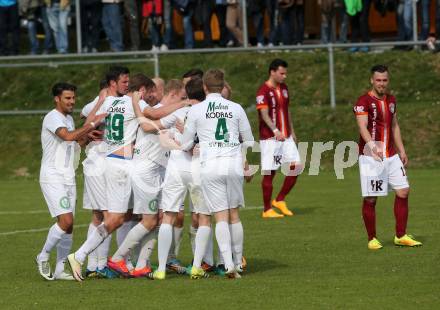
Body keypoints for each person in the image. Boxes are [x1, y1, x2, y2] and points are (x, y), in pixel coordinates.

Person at [67, 73, 190, 281]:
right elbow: (153, 113)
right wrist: (185, 103)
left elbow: (87, 115)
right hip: (121, 165)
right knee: (115, 218)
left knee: (115, 217)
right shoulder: (134, 102)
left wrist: (93, 129)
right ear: (140, 89)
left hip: (107, 162)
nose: (150, 94)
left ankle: (110, 262)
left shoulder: (107, 100)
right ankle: (86, 257)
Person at [180, 69, 254, 279]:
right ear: (223, 87)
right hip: (232, 164)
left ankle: (228, 264)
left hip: (210, 166)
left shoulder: (197, 110)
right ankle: (238, 262)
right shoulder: (236, 108)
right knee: (234, 215)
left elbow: (186, 143)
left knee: (219, 217)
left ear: (204, 87)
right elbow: (248, 140)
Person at [36, 82, 106, 281]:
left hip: (67, 176)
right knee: (65, 221)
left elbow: (73, 145)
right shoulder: (52, 117)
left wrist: (87, 138)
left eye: (73, 98)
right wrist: (91, 124)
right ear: (56, 99)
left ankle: (59, 269)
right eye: (67, 98)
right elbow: (67, 137)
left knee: (70, 225)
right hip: (52, 176)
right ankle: (42, 255)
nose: (72, 102)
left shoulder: (67, 118)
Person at [353, 65, 422, 250]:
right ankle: (372, 238)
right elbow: (362, 127)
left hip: (391, 156)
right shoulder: (363, 101)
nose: (381, 83)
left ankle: (400, 235)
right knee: (371, 198)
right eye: (378, 80)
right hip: (371, 157)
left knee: (403, 191)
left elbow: (394, 126)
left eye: (384, 80)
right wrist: (372, 146)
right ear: (372, 80)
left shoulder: (391, 100)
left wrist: (402, 150)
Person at [256, 59, 301, 218]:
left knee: (297, 167)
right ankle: (267, 209)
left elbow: (286, 111)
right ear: (272, 72)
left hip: (286, 136)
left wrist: (292, 131)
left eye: (285, 73)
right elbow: (264, 114)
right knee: (270, 172)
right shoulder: (263, 91)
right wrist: (275, 130)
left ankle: (280, 199)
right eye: (282, 73)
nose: (284, 76)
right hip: (270, 138)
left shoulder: (284, 89)